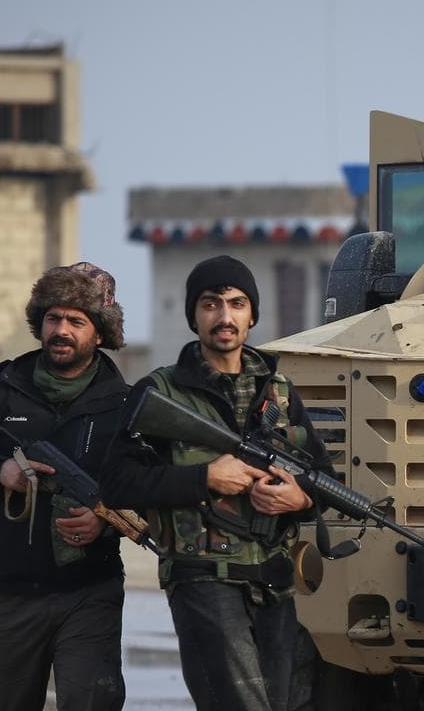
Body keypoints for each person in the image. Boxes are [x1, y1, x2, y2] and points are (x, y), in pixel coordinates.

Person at [101, 255, 331, 711]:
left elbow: (323, 476)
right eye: (210, 304)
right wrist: (204, 478)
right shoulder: (159, 393)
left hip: (273, 582)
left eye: (237, 304)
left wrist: (299, 497)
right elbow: (117, 483)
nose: (224, 317)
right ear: (194, 314)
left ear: (251, 315)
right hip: (202, 577)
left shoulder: (279, 392)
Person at [0, 262, 130, 711]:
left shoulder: (125, 405)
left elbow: (145, 488)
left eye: (77, 321)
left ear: (100, 333)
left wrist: (105, 522)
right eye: (53, 318)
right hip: (10, 592)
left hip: (90, 591)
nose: (62, 329)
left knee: (91, 701)